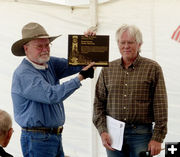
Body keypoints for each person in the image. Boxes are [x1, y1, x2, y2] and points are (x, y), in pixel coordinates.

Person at [11, 22, 94, 157]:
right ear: (26, 49)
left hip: (49, 137)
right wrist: (80, 77)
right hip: (37, 139)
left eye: (47, 44)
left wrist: (87, 42)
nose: (45, 49)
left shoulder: (48, 63)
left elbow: (77, 63)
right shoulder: (23, 74)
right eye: (39, 46)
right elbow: (52, 95)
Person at [92, 24, 168, 157]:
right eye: (122, 42)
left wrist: (157, 138)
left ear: (139, 44)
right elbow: (99, 103)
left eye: (130, 42)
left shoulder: (153, 68)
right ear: (118, 44)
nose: (126, 46)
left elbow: (160, 106)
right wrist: (103, 131)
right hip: (113, 135)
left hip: (141, 134)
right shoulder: (108, 69)